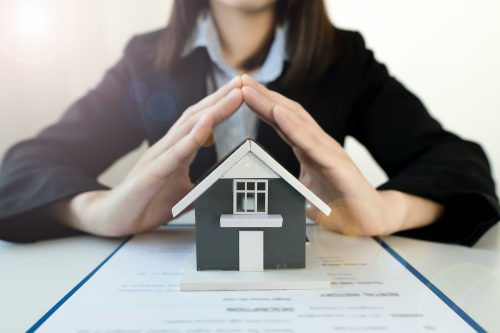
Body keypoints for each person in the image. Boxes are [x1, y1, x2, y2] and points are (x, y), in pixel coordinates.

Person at [0, 0, 498, 244]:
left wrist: (384, 212)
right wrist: (100, 212)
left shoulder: (346, 58)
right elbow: (23, 167)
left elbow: (461, 164)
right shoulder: (146, 60)